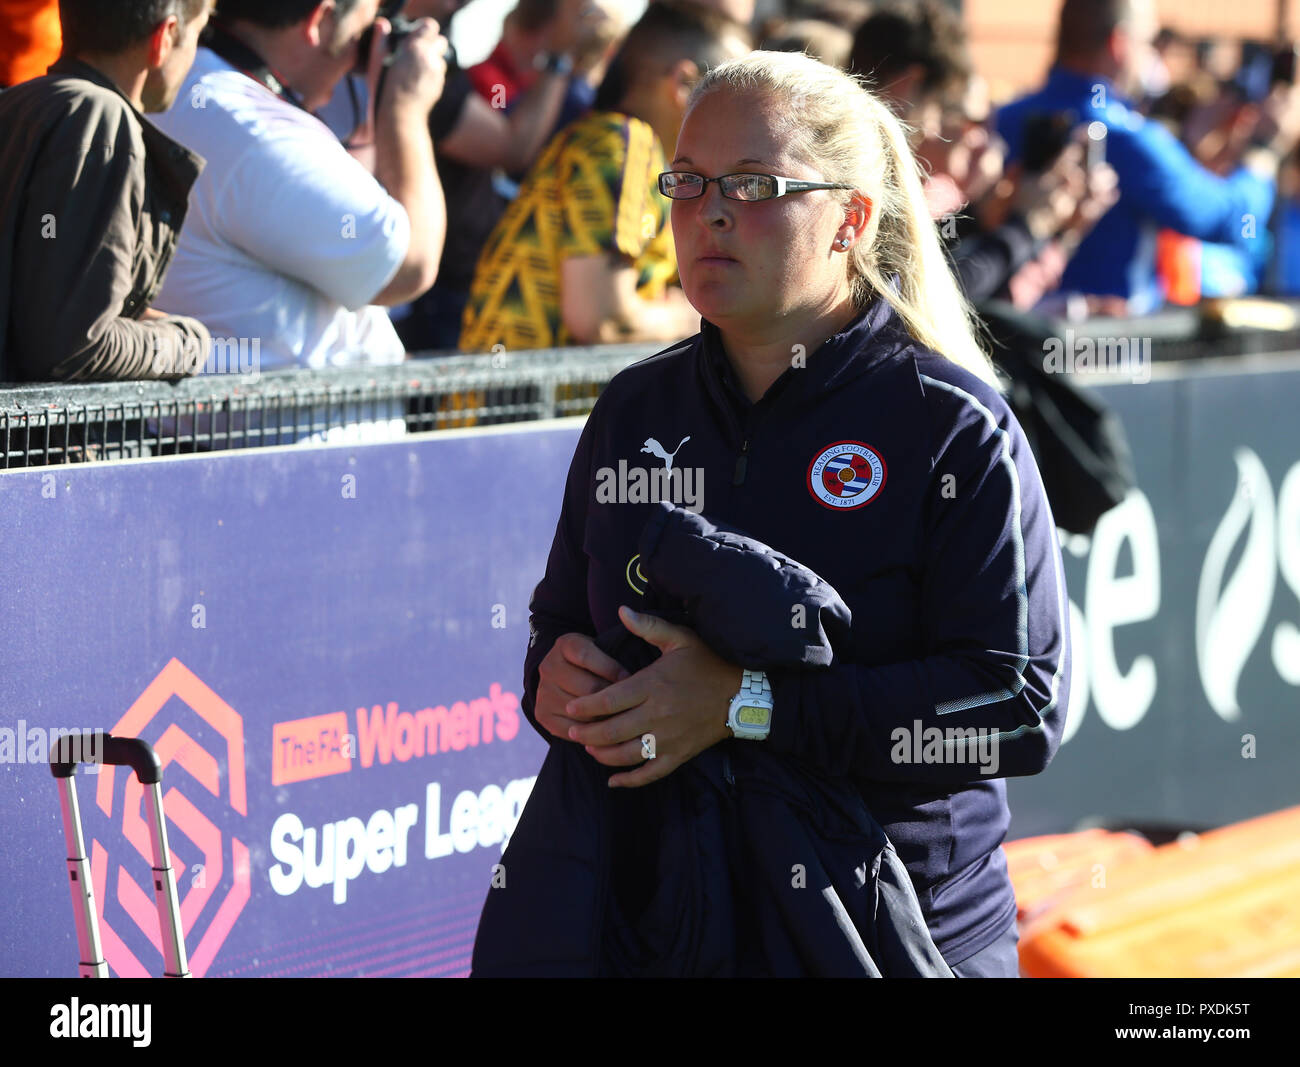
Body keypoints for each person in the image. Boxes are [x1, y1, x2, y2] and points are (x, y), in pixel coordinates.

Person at [517, 49, 1071, 976]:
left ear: (851, 218)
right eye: (687, 181)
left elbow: (1018, 707)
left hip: (892, 934)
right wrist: (555, 681)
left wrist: (749, 704)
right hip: (670, 929)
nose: (712, 211)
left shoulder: (950, 425)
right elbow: (556, 624)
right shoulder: (635, 411)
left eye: (756, 183)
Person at [150, 0, 448, 370]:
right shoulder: (257, 131)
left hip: (228, 417)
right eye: (363, 30)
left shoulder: (190, 86)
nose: (363, 49)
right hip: (283, 423)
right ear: (320, 19)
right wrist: (406, 110)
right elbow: (409, 266)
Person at [458, 0, 750, 352]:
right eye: (733, 93)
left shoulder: (629, 146)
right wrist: (698, 317)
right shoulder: (622, 145)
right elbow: (603, 319)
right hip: (529, 403)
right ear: (683, 83)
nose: (746, 117)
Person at [996, 0, 1300, 313]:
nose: (1153, 56)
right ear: (1119, 44)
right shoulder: (1128, 136)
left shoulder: (1002, 119)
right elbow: (1230, 221)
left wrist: (1188, 147)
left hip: (1005, 339)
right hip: (1108, 348)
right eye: (1149, 42)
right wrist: (1265, 148)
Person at [0, 0, 213, 382]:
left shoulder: (21, 102)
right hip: (46, 440)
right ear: (164, 37)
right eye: (196, 33)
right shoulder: (100, 119)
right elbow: (75, 345)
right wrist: (186, 342)